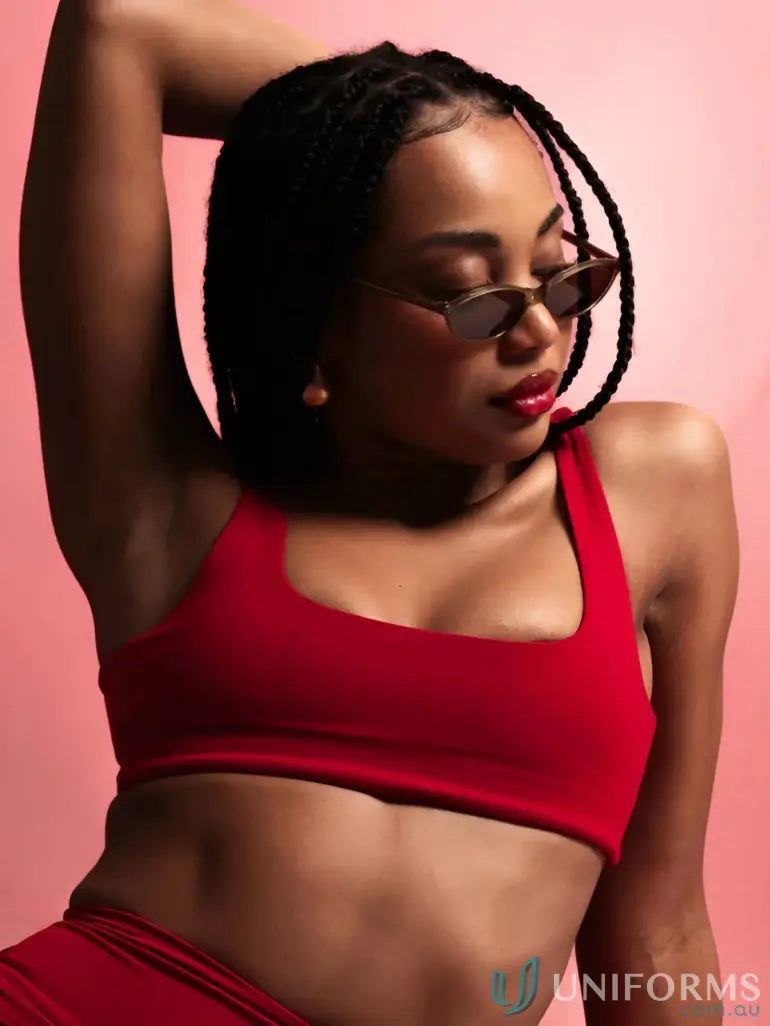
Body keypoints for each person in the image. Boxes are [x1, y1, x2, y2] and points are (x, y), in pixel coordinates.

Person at [0, 0, 740, 1023]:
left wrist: (449, 127)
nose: (535, 332)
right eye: (467, 295)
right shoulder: (166, 510)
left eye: (560, 272)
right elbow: (122, 28)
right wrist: (369, 155)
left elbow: (652, 930)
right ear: (320, 335)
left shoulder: (657, 486)